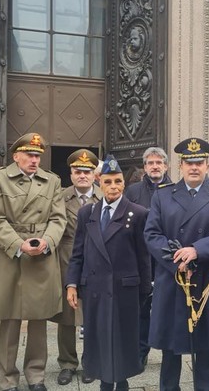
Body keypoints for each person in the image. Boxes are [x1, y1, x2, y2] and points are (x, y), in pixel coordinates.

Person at [144, 137, 209, 391]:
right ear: (180, 165)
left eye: (199, 162)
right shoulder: (163, 196)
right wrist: (177, 260)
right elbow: (152, 234)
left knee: (205, 349)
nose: (194, 167)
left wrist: (196, 250)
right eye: (189, 162)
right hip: (172, 278)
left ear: (207, 166)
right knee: (170, 351)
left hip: (205, 281)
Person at [0, 133, 67, 391]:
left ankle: (36, 375)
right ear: (15, 155)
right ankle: (7, 378)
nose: (34, 160)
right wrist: (18, 243)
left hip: (40, 256)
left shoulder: (51, 181)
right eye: (29, 155)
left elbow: (58, 218)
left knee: (39, 318)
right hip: (11, 255)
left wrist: (47, 241)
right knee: (10, 318)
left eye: (38, 155)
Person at [66, 155, 152, 391]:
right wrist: (72, 284)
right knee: (99, 338)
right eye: (108, 182)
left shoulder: (138, 213)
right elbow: (78, 253)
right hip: (95, 288)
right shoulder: (87, 213)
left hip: (124, 288)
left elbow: (144, 257)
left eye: (118, 181)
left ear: (124, 183)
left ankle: (121, 382)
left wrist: (145, 290)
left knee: (122, 339)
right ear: (98, 182)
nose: (113, 186)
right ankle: (104, 381)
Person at [51, 149, 102, 386]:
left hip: (97, 262)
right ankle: (67, 364)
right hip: (66, 259)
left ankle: (91, 362)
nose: (83, 175)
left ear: (95, 175)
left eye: (87, 171)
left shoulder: (104, 198)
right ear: (70, 174)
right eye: (78, 171)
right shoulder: (58, 198)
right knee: (67, 316)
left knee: (92, 315)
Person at [124, 146, 172, 366]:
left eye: (159, 162)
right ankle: (141, 350)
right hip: (140, 258)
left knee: (167, 306)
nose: (155, 166)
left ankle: (169, 351)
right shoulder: (132, 191)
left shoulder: (175, 189)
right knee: (142, 307)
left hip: (167, 258)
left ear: (166, 166)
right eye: (150, 163)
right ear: (144, 167)